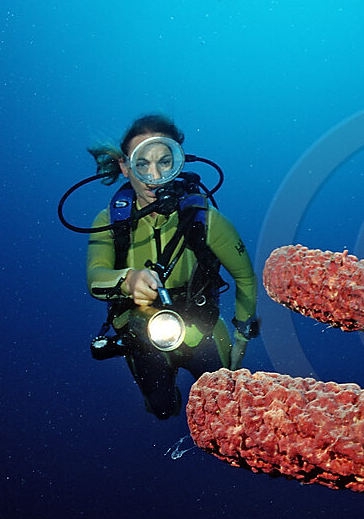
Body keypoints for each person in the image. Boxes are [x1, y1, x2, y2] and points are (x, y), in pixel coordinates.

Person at [85, 114, 258, 419]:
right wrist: (128, 279)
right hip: (141, 334)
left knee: (226, 409)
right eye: (143, 164)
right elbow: (95, 280)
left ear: (179, 161)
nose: (155, 176)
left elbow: (244, 276)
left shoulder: (206, 219)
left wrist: (242, 339)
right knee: (162, 409)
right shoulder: (110, 222)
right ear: (125, 167)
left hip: (203, 328)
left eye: (165, 162)